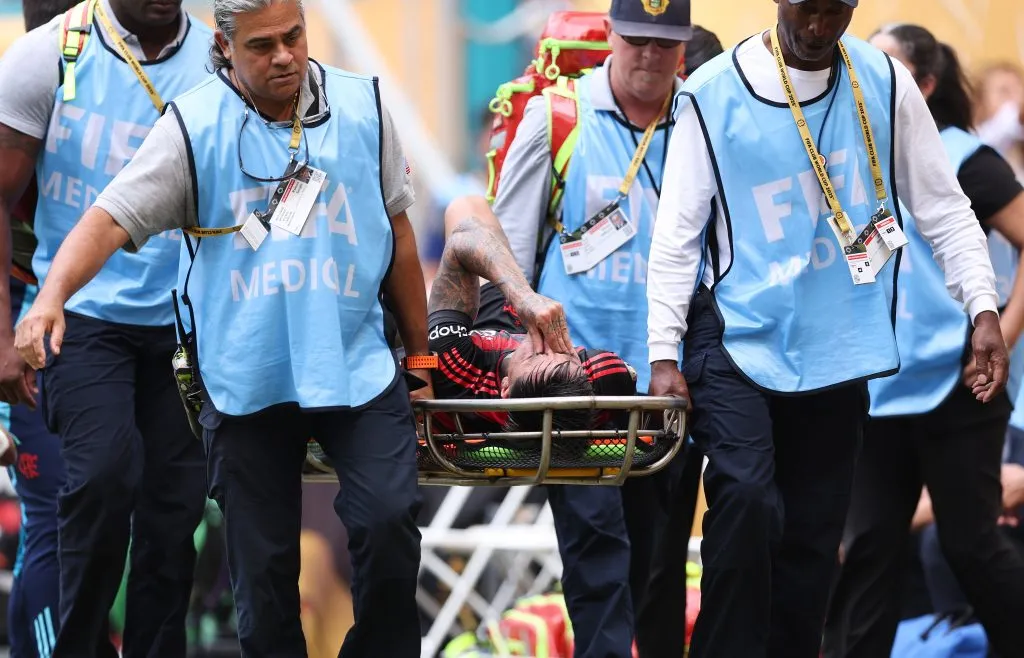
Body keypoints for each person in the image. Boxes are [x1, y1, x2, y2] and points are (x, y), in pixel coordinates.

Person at [14, 0, 428, 655]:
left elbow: (400, 236)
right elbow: (107, 218)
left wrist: (423, 357)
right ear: (226, 47)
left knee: (388, 524)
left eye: (294, 36)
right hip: (243, 379)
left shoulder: (363, 106)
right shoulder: (193, 124)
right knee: (259, 589)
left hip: (356, 366)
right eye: (263, 46)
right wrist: (50, 297)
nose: (285, 55)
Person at [645, 1, 1009, 656]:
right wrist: (663, 353)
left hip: (838, 343)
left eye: (836, 8)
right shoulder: (711, 93)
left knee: (815, 539)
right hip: (736, 334)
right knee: (749, 500)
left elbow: (944, 207)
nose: (819, 22)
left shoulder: (886, 82)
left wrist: (982, 306)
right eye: (807, 6)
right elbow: (676, 237)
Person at [0, 0, 213, 654]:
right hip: (76, 320)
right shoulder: (46, 57)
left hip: (183, 324)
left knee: (175, 515)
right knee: (97, 481)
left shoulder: (220, 60)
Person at [491, 0, 690, 653]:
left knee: (655, 564)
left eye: (664, 45)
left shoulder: (700, 123)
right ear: (613, 35)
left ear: (683, 46)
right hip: (574, 389)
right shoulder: (558, 117)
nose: (649, 58)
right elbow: (510, 257)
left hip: (668, 384)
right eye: (636, 40)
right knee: (597, 555)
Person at [822, 25, 1024, 658]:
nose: (866, 79)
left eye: (887, 67)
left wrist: (999, 338)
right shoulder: (851, 160)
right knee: (870, 547)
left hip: (958, 387)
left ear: (925, 85)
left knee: (969, 546)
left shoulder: (967, 160)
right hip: (877, 388)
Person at [0, 5, 80, 657]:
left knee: (83, 520)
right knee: (51, 519)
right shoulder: (29, 81)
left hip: (97, 326)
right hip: (32, 326)